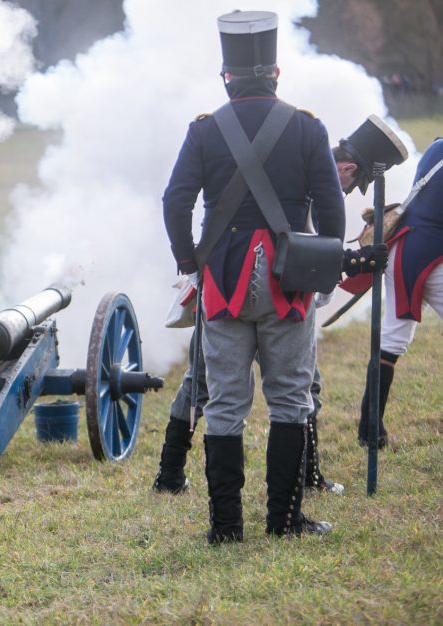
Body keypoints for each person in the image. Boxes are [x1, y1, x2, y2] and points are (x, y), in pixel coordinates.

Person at [163, 10, 346, 543]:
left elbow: (176, 202)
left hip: (222, 281)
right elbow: (332, 210)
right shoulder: (308, 127)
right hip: (290, 282)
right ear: (276, 74)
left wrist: (188, 261)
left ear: (227, 76)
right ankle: (284, 521)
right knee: (290, 398)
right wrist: (325, 271)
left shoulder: (204, 130)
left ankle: (226, 528)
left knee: (225, 403)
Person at [154, 115, 408, 497]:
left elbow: (315, 245)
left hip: (250, 286)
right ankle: (171, 473)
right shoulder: (306, 162)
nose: (347, 190)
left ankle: (304, 474)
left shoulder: (299, 154)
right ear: (349, 168)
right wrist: (346, 260)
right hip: (248, 285)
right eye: (353, 183)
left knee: (289, 386)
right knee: (212, 383)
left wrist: (351, 259)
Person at [356, 137, 443, 448]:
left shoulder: (436, 146)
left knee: (392, 340)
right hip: (429, 256)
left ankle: (370, 427)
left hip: (403, 249)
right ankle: (370, 425)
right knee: (393, 339)